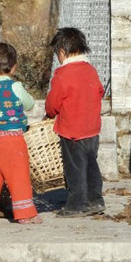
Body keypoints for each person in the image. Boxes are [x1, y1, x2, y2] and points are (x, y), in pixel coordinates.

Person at [0, 43, 42, 225]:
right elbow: (29, 104)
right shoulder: (15, 87)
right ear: (13, 68)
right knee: (18, 177)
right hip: (13, 141)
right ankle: (25, 214)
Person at [45, 27, 105, 218]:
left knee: (75, 168)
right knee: (91, 164)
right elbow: (99, 92)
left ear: (62, 52)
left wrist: (50, 113)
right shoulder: (91, 70)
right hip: (92, 128)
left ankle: (77, 203)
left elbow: (53, 103)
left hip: (71, 129)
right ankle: (95, 199)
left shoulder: (63, 75)